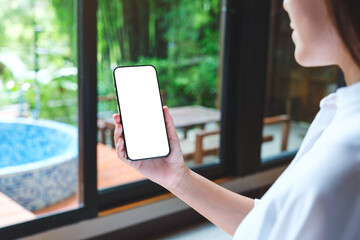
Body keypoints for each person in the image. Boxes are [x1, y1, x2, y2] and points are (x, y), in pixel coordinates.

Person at [113, 0, 360, 238]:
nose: (284, 3)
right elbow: (274, 225)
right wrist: (177, 177)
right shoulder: (341, 115)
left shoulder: (347, 153)